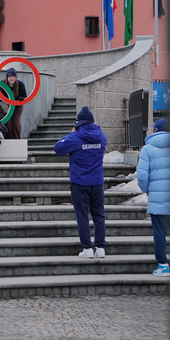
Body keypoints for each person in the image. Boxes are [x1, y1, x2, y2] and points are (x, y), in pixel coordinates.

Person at [54, 106, 108, 258]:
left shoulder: (75, 137)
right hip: (97, 182)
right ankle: (100, 247)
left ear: (78, 123)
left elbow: (58, 148)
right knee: (99, 215)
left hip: (80, 183)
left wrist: (71, 133)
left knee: (82, 215)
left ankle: (87, 248)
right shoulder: (101, 137)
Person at [137, 118, 170, 276]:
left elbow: (142, 175)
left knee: (159, 233)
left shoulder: (148, 149)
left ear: (156, 130)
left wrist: (147, 190)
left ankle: (163, 265)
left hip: (157, 199)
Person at [1, 67, 28, 139]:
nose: (12, 78)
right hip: (7, 105)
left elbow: (24, 95)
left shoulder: (20, 84)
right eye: (10, 76)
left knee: (16, 123)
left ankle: (17, 140)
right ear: (7, 77)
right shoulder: (2, 83)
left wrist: (20, 98)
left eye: (13, 76)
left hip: (17, 105)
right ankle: (9, 140)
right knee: (8, 123)